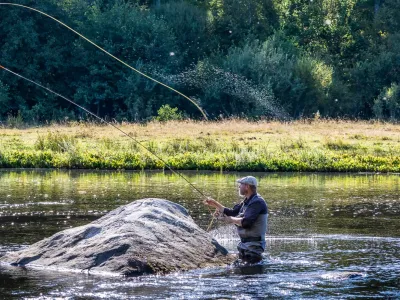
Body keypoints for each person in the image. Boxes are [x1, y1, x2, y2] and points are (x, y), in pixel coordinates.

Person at [204, 176, 268, 264]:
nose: (239, 186)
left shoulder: (257, 202)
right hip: (245, 246)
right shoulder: (247, 201)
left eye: (241, 184)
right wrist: (215, 204)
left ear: (247, 186)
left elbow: (246, 223)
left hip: (253, 248)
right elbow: (233, 213)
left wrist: (229, 219)